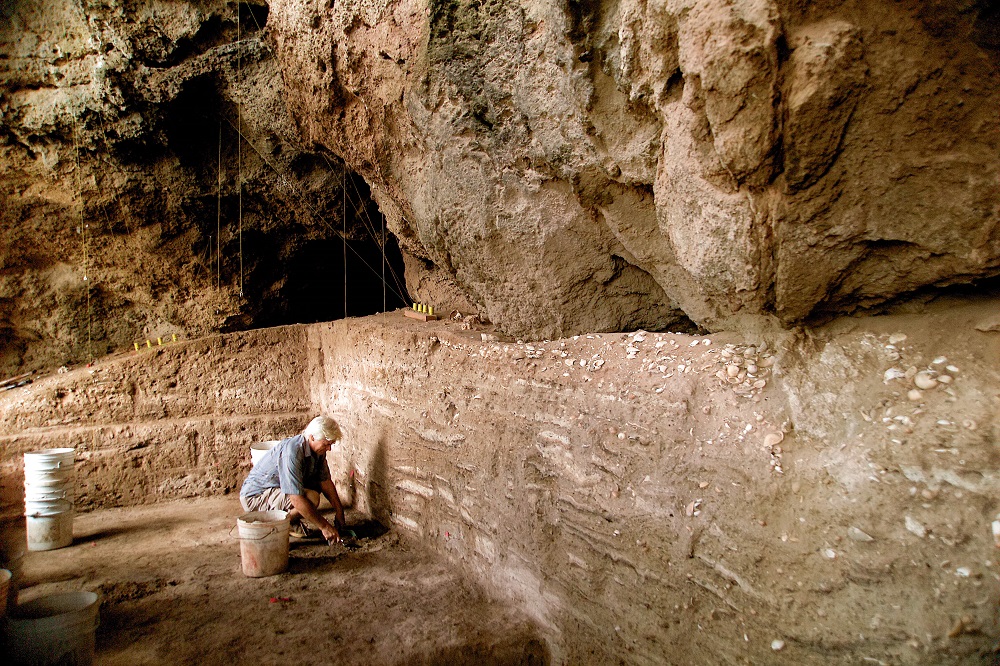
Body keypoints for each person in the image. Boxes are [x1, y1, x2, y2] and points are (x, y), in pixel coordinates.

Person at [241, 416, 346, 544]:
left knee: (315, 486)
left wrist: (340, 512)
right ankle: (274, 527)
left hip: (276, 490)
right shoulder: (293, 452)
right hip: (255, 496)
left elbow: (325, 482)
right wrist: (324, 526)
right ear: (312, 437)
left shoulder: (318, 451)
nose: (329, 448)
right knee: (311, 498)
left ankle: (288, 521)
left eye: (331, 444)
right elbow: (295, 498)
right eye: (326, 444)